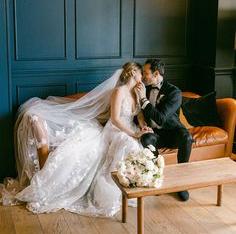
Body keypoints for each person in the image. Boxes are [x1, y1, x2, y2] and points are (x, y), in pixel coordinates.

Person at [6, 62, 152, 216]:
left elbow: (140, 115)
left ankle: (130, 188)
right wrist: (133, 134)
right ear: (134, 72)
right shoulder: (119, 91)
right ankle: (114, 191)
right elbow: (115, 119)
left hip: (130, 128)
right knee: (128, 143)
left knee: (138, 146)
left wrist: (142, 127)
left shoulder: (137, 92)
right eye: (141, 73)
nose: (142, 78)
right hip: (116, 129)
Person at [135, 59, 193, 201]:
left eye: (146, 73)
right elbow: (137, 113)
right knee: (146, 138)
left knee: (187, 137)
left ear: (156, 74)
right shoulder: (144, 88)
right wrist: (141, 124)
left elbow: (161, 118)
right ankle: (156, 177)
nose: (143, 76)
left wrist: (143, 99)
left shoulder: (174, 92)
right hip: (155, 134)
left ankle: (182, 183)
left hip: (173, 132)